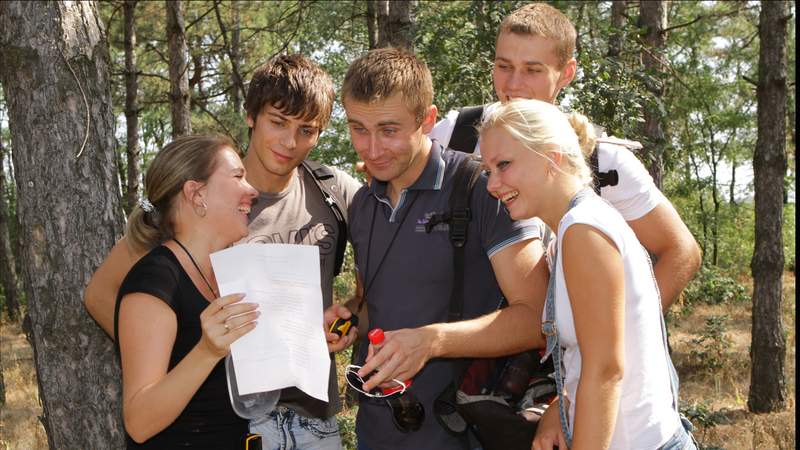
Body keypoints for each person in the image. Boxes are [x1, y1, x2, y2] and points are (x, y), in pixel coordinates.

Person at [84, 54, 362, 450]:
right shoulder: (207, 193)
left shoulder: (334, 191)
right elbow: (100, 295)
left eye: (307, 130)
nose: (289, 141)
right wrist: (182, 358)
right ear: (251, 116)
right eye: (277, 122)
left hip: (313, 416)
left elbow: (378, 275)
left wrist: (342, 323)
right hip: (238, 419)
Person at [341, 47, 548, 450]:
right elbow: (377, 307)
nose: (371, 149)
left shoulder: (483, 189)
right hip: (376, 434)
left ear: (428, 120)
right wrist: (349, 319)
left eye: (388, 130)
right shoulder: (362, 205)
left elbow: (538, 318)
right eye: (358, 129)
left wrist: (432, 341)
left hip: (461, 432)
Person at [429, 2, 701, 309]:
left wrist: (625, 330)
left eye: (532, 70)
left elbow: (681, 250)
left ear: (566, 73)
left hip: (569, 353)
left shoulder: (603, 160)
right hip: (461, 345)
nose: (513, 84)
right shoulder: (455, 135)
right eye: (503, 66)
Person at [479, 99, 696, 450]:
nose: (492, 184)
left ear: (553, 157)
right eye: (488, 170)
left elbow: (606, 371)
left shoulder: (584, 230)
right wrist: (562, 405)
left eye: (504, 165)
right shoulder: (572, 230)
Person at [115, 134, 259, 448]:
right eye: (238, 177)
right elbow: (138, 422)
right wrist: (207, 351)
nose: (253, 191)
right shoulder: (154, 283)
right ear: (196, 194)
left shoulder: (224, 274)